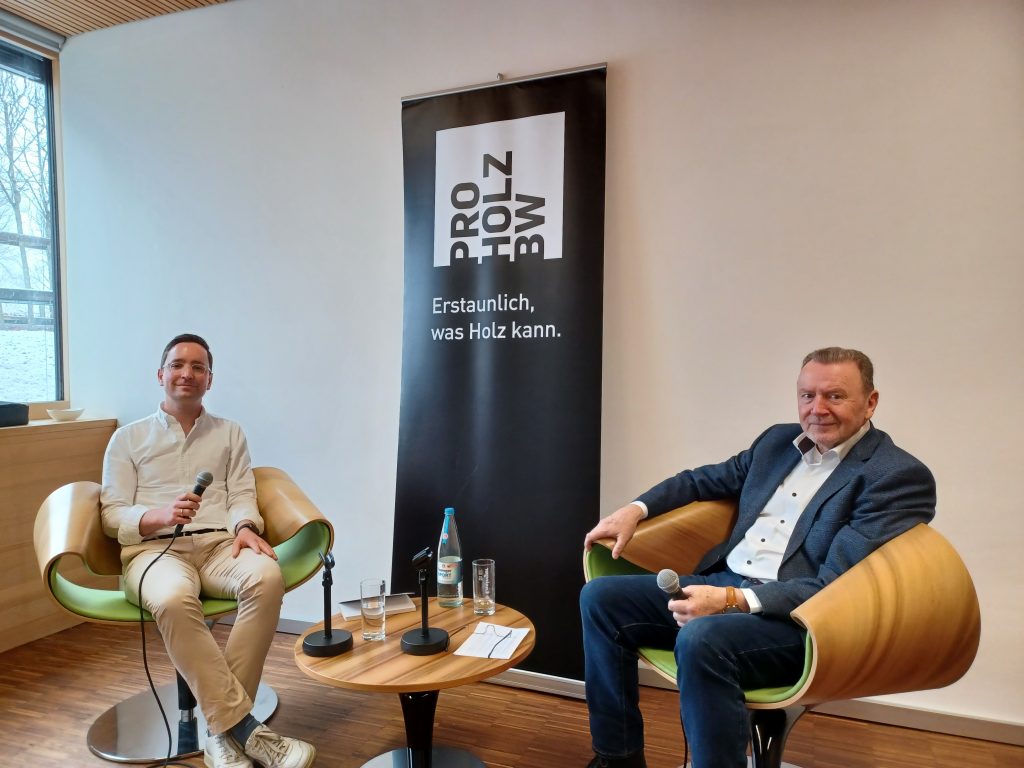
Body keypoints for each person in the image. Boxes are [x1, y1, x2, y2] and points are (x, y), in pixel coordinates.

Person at [580, 347, 936, 768]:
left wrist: (732, 601)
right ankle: (617, 758)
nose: (817, 409)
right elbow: (701, 481)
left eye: (835, 396)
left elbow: (835, 586)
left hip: (802, 621)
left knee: (702, 639)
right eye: (807, 396)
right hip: (724, 582)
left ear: (870, 402)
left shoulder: (894, 476)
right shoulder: (777, 443)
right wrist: (635, 510)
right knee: (601, 600)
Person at [101, 333, 316, 768]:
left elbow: (242, 493)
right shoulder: (127, 438)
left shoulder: (229, 433)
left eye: (198, 367)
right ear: (160, 374)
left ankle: (221, 731)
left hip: (220, 544)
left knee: (266, 577)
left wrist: (245, 526)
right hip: (154, 552)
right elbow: (111, 513)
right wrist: (159, 515)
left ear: (209, 380)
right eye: (178, 365)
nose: (188, 373)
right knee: (171, 598)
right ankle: (243, 729)